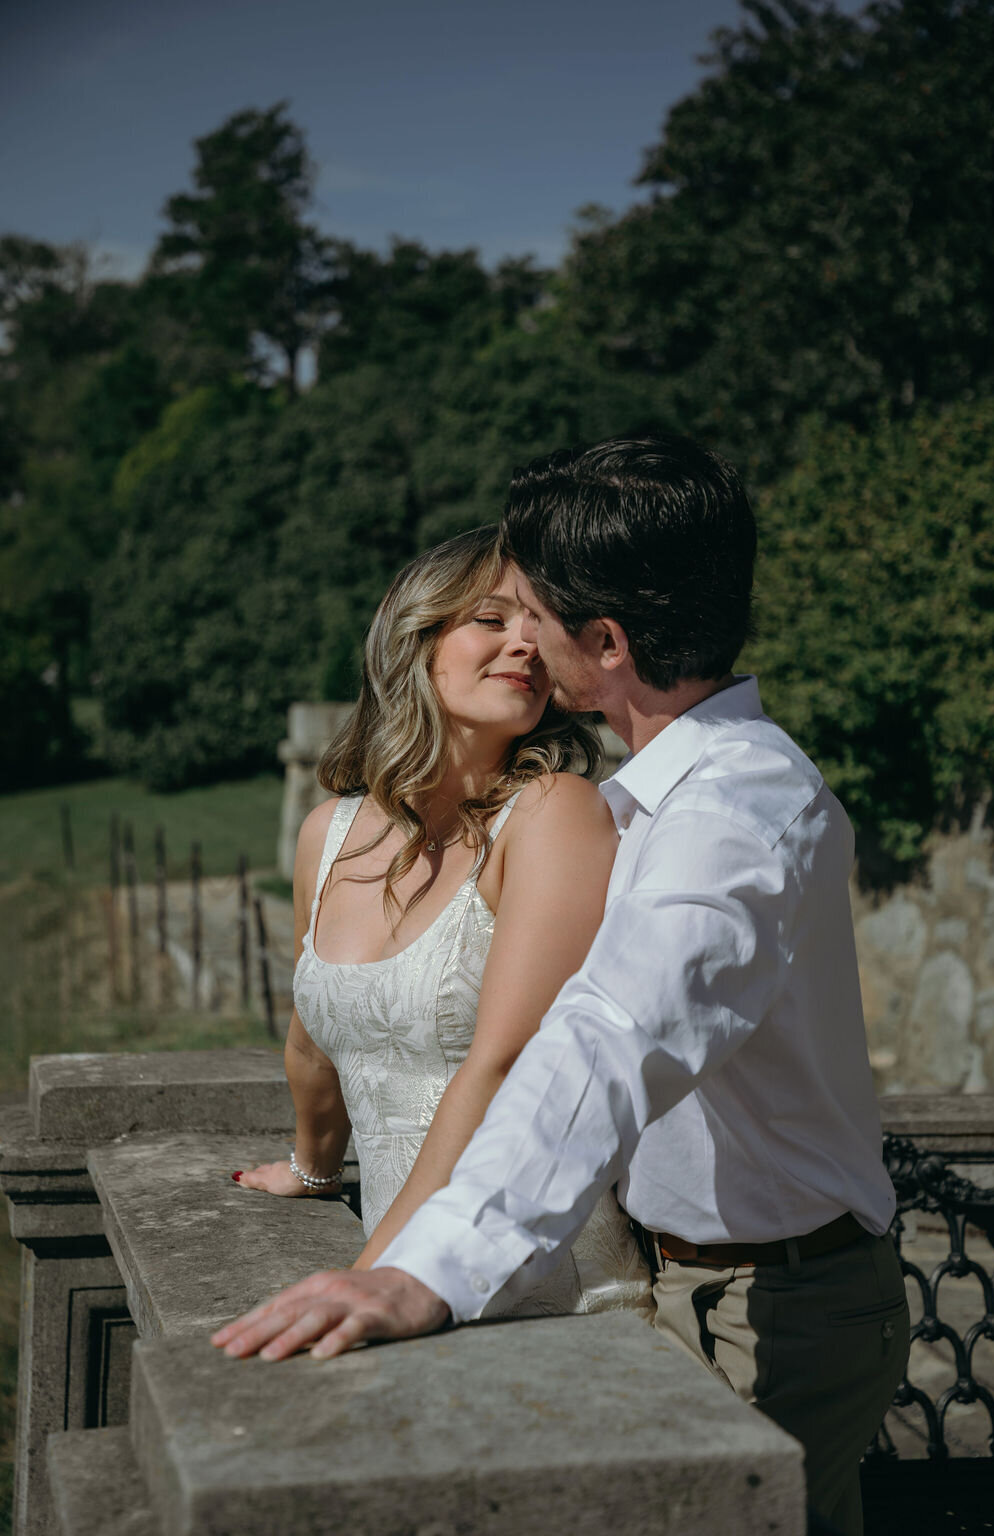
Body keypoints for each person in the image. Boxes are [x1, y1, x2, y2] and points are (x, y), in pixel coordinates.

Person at [213, 438, 909, 1536]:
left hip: (776, 1305)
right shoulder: (651, 796)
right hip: (705, 1282)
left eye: (530, 608)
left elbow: (605, 1039)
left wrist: (419, 1273)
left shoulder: (731, 819)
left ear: (608, 643)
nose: (519, 638)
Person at [229, 525, 652, 1319]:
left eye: (540, 624)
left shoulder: (553, 814)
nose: (526, 644)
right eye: (492, 620)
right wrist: (315, 1171)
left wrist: (372, 1271)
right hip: (401, 1269)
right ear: (415, 639)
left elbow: (505, 1065)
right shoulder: (328, 834)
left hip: (535, 1281)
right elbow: (312, 1041)